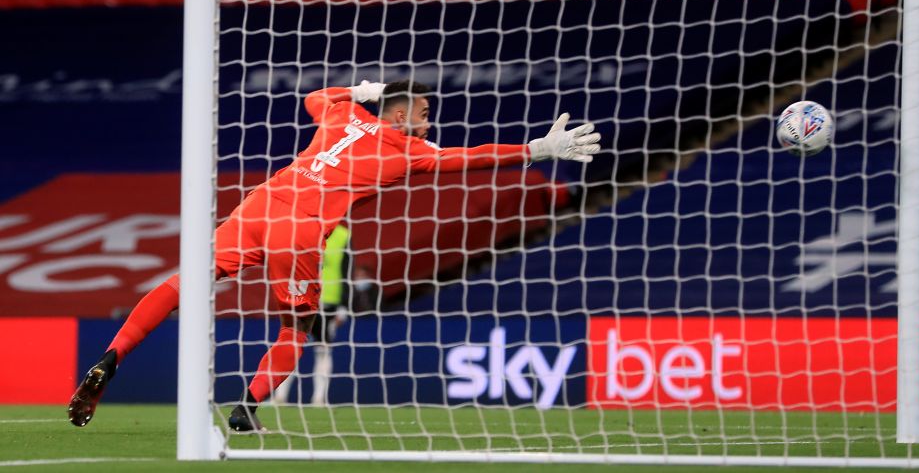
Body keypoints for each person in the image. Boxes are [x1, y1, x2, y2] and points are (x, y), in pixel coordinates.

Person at [67, 80, 600, 432]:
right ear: (399, 113)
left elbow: (317, 98)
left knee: (182, 284)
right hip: (299, 233)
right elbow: (471, 159)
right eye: (424, 111)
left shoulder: (340, 114)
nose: (430, 122)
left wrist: (358, 89)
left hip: (258, 206)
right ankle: (246, 408)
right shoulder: (408, 150)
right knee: (297, 329)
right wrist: (534, 150)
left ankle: (110, 359)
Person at [272, 223, 350, 406]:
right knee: (291, 347)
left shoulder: (343, 235)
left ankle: (318, 398)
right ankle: (280, 397)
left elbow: (347, 271)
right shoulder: (300, 231)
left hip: (329, 300)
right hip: (302, 298)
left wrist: (344, 306)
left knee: (323, 349)